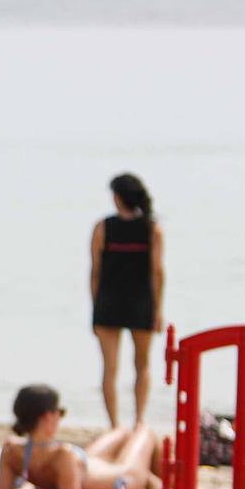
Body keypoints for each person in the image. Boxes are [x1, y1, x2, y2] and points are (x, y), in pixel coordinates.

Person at [0, 384, 161, 489]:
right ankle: (160, 484)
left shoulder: (11, 450)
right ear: (47, 416)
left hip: (87, 468)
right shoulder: (62, 455)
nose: (60, 417)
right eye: (60, 412)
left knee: (122, 432)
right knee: (145, 432)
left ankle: (151, 480)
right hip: (122, 481)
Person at [89, 173, 164, 428]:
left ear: (118, 198)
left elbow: (95, 271)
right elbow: (158, 272)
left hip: (108, 303)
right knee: (142, 365)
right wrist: (158, 309)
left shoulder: (103, 227)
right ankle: (139, 420)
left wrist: (94, 306)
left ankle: (114, 424)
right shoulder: (152, 228)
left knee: (110, 369)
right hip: (140, 302)